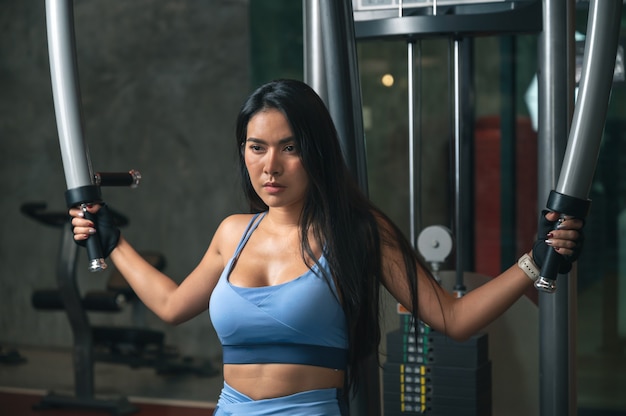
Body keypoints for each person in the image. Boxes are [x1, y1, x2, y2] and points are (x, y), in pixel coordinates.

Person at [69, 79, 584, 416]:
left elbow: (453, 318)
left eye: (289, 148)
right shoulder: (233, 232)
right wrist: (112, 239)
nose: (270, 166)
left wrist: (532, 263)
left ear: (314, 152)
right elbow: (170, 304)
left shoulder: (357, 230)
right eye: (256, 147)